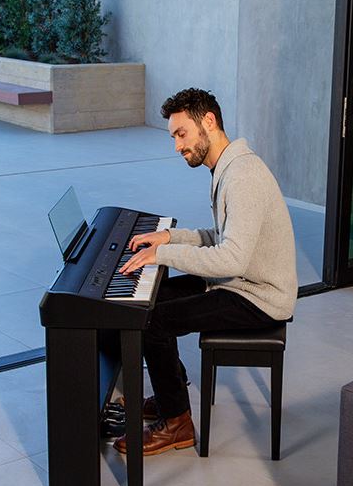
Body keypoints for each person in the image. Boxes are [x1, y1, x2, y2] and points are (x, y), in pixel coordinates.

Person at [114, 88, 298, 456]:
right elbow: (221, 236)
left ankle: (178, 424)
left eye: (182, 134)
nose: (178, 146)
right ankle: (172, 392)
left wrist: (163, 255)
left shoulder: (242, 176)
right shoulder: (230, 167)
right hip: (241, 282)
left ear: (208, 122)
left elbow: (230, 259)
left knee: (152, 321)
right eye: (174, 137)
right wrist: (168, 236)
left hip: (259, 296)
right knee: (153, 299)